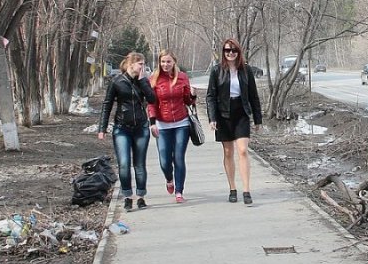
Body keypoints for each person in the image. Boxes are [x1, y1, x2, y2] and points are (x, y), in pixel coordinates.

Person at [205, 38, 262, 205]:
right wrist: (212, 118)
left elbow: (253, 95)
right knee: (228, 152)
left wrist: (258, 119)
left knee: (243, 150)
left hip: (241, 112)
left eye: (233, 50)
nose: (230, 53)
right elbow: (210, 96)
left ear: (239, 52)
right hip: (223, 114)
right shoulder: (216, 71)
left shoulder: (246, 70)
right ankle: (232, 188)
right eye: (227, 50)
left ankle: (246, 190)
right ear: (223, 52)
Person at [97, 52, 157, 211]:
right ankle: (128, 197)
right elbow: (107, 104)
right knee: (124, 164)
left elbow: (152, 99)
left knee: (139, 164)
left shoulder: (143, 81)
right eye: (140, 64)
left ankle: (141, 197)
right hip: (122, 128)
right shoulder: (117, 81)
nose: (142, 67)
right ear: (131, 64)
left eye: (143, 64)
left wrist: (143, 81)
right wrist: (102, 128)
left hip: (141, 128)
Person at [148, 49, 196, 204]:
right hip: (162, 125)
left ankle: (179, 191)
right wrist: (153, 122)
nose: (165, 64)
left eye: (168, 61)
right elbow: (151, 103)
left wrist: (193, 95)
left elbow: (188, 101)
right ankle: (169, 179)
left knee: (179, 158)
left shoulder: (182, 77)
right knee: (164, 160)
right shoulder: (154, 79)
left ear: (174, 62)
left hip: (181, 123)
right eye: (163, 61)